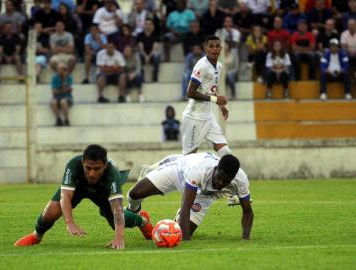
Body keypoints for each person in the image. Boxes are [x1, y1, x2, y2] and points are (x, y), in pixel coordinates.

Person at [14, 144, 154, 249]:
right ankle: (36, 236)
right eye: (88, 168)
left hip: (102, 192)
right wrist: (70, 223)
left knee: (115, 222)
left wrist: (119, 238)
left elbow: (117, 209)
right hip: (78, 188)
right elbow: (65, 196)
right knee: (49, 213)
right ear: (82, 163)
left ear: (105, 166)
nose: (92, 173)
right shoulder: (73, 164)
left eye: (97, 168)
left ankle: (142, 221)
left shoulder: (112, 175)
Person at [126, 152, 254, 241]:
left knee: (175, 234)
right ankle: (136, 212)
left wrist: (245, 237)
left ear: (233, 178)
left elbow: (247, 211)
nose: (220, 183)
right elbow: (186, 204)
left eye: (226, 181)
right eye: (219, 177)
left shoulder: (241, 180)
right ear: (216, 168)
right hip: (178, 172)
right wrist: (186, 241)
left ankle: (144, 223)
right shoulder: (201, 169)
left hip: (204, 195)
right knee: (134, 194)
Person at [182, 35, 229, 156]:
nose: (214, 49)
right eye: (211, 46)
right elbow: (190, 92)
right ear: (205, 48)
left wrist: (220, 106)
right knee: (189, 158)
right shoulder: (202, 66)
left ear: (221, 49)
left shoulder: (218, 65)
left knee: (225, 152)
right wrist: (215, 99)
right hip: (194, 116)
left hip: (208, 116)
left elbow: (212, 88)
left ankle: (223, 175)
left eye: (217, 46)